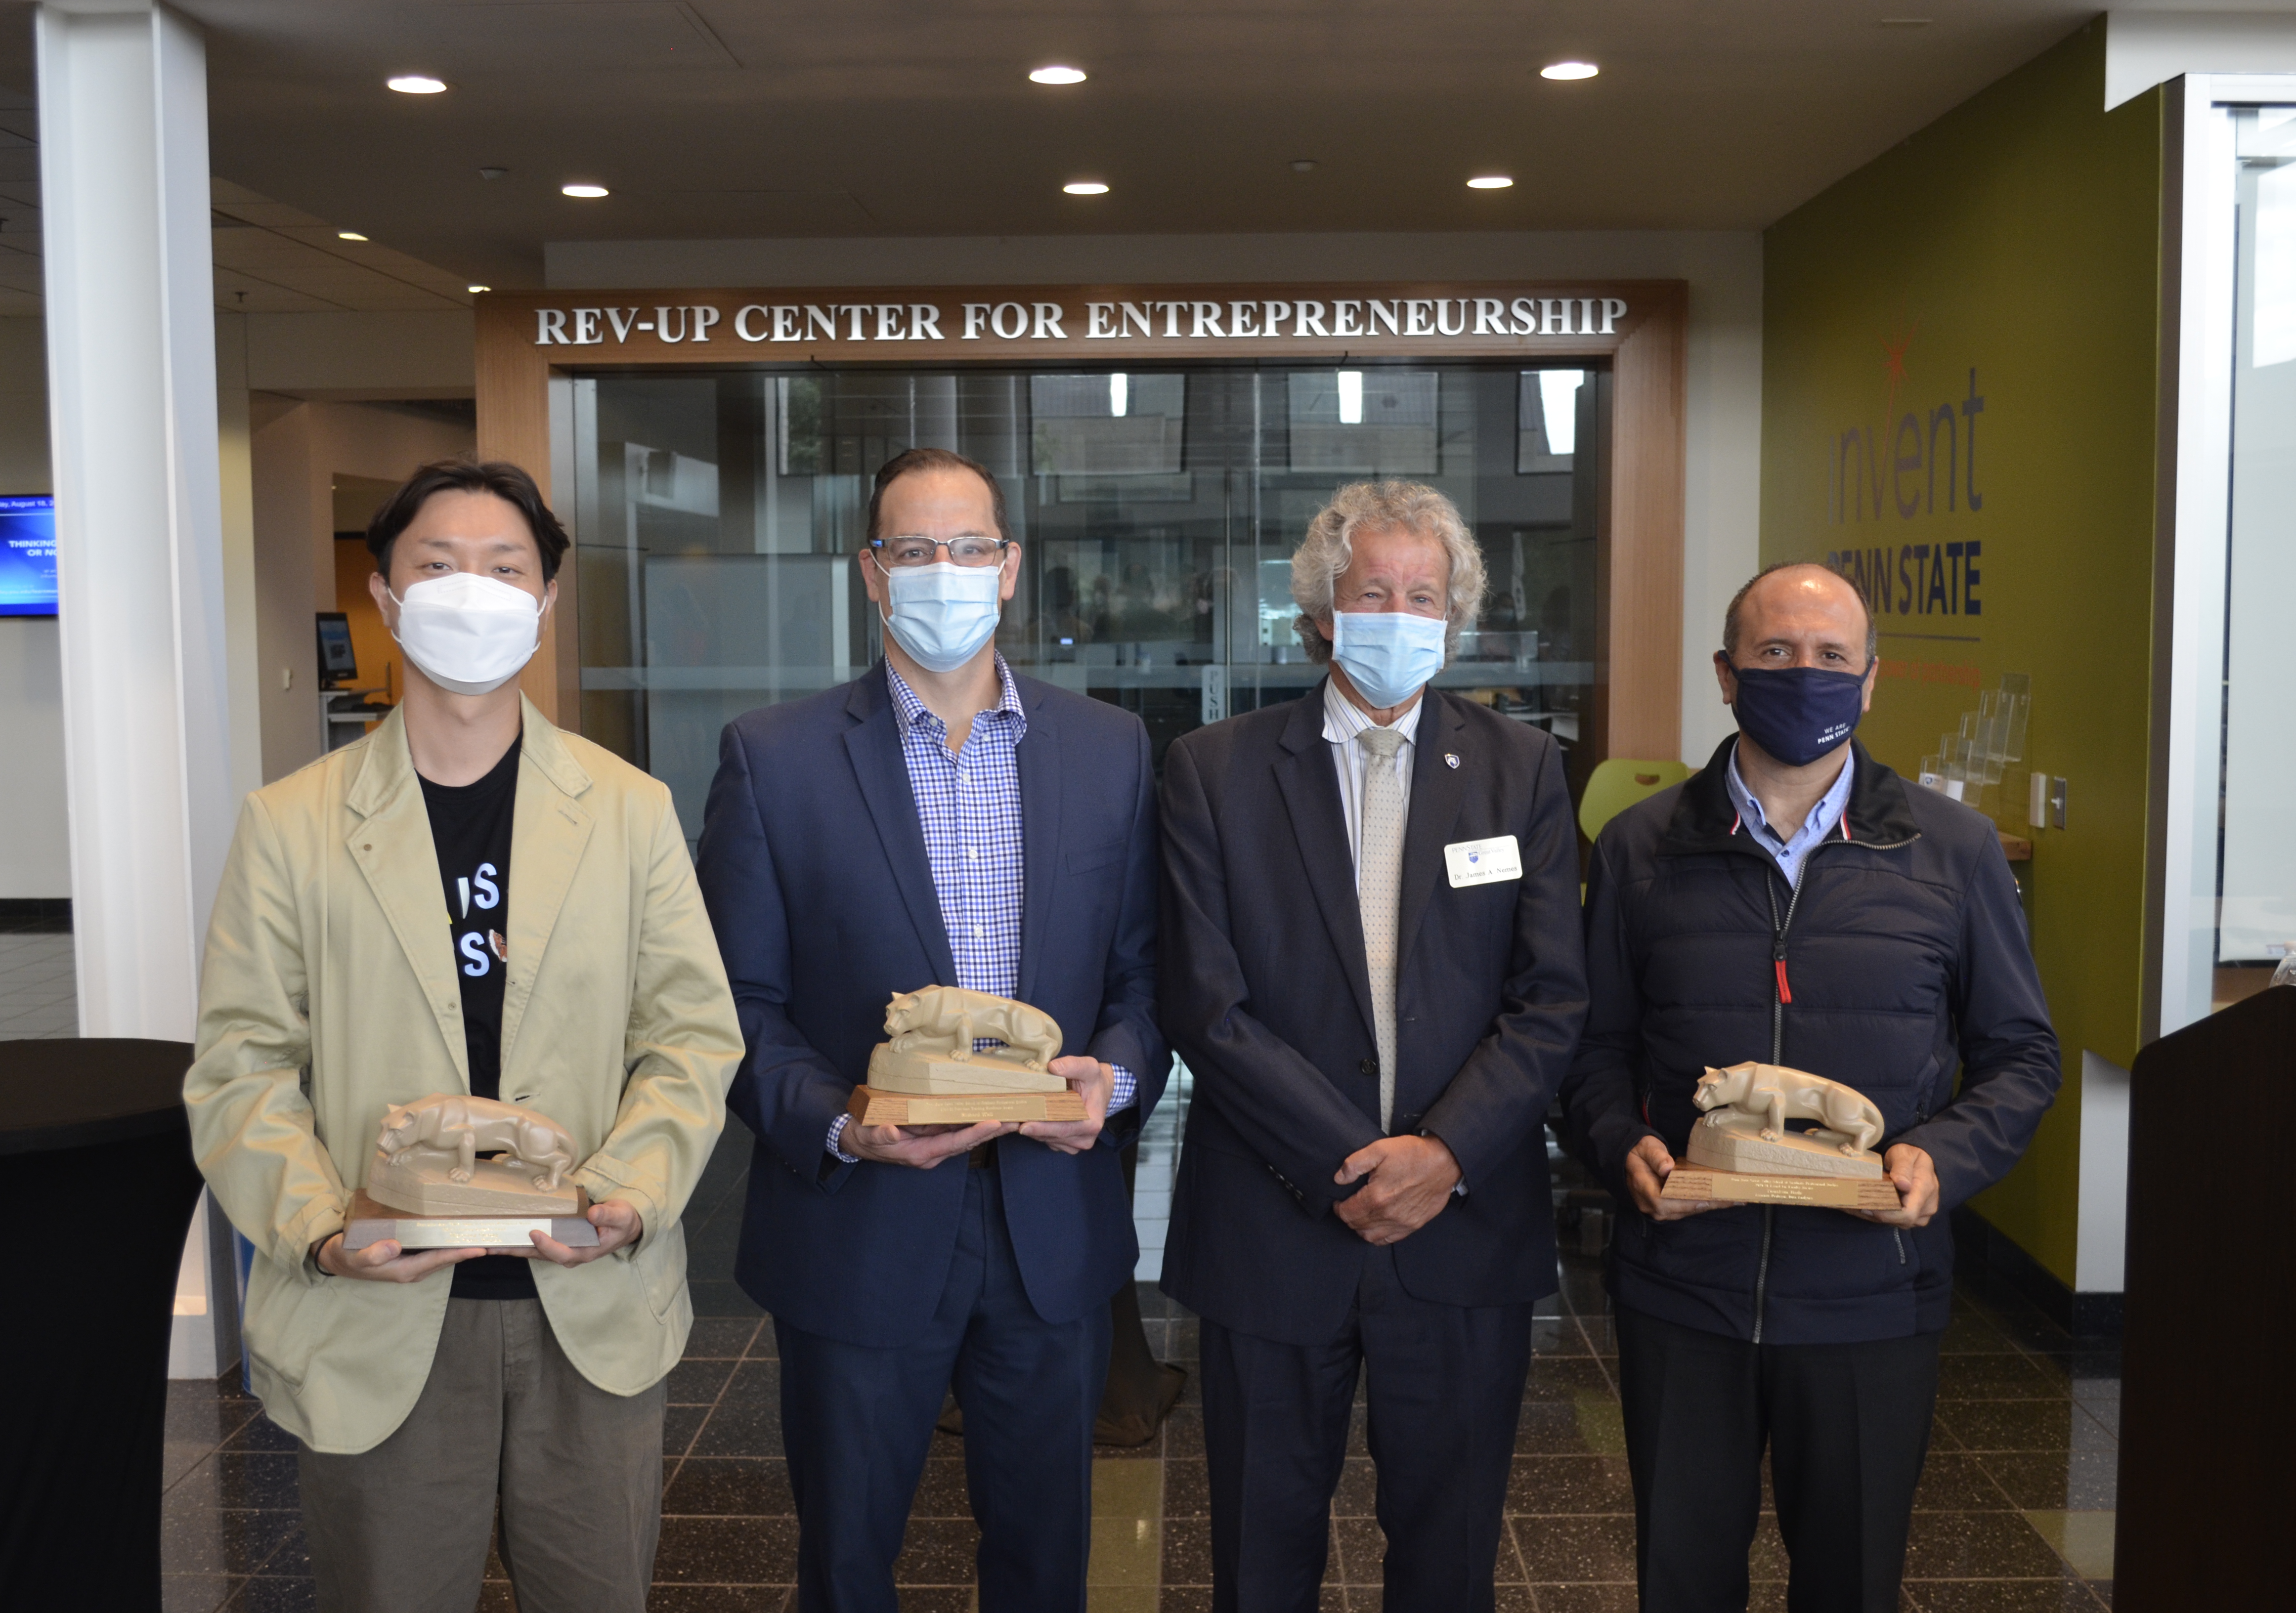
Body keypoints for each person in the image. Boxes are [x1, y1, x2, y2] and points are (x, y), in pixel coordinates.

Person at [183, 458, 740, 1613]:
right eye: (437, 567)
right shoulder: (290, 826)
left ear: (543, 606)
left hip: (585, 1303)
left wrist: (625, 1198)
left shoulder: (628, 810)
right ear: (385, 599)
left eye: (505, 569)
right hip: (378, 1311)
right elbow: (240, 1070)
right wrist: (326, 1231)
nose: (471, 592)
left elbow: (691, 1036)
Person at [696, 446, 1166, 1612]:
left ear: (1010, 569)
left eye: (968, 549)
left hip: (1049, 1232)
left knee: (1044, 1562)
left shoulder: (1110, 751)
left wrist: (1114, 1074)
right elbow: (732, 1009)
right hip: (858, 1229)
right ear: (871, 572)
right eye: (913, 550)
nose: (943, 573)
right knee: (848, 1566)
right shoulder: (775, 759)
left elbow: (1143, 979)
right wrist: (844, 1128)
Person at [1560, 560, 2061, 1613]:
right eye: (1775, 653)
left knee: (1850, 1582)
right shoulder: (1638, 849)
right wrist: (1619, 1145)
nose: (1805, 675)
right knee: (1682, 1581)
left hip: (1870, 1295)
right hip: (1684, 1287)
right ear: (1726, 675)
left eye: (1832, 657)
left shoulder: (1954, 853)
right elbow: (1589, 1049)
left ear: (1870, 680)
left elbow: (2022, 1056)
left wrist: (1949, 1156)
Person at [1157, 479, 1587, 1611]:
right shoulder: (1214, 770)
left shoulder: (1522, 770)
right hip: (1271, 1223)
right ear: (1320, 610)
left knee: (1448, 1560)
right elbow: (1206, 1006)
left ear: (1456, 616)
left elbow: (1550, 1000)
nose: (1400, 613)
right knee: (1258, 1552)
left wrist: (1439, 1157)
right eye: (1374, 591)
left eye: (1424, 594)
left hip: (1463, 1229)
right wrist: (1355, 1161)